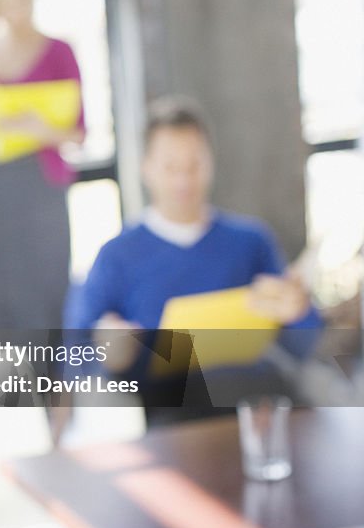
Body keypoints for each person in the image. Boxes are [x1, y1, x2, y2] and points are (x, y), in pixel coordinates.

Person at [65, 95, 322, 424]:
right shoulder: (117, 256)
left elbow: (304, 343)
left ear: (211, 163)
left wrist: (298, 311)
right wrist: (110, 352)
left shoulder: (251, 241)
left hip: (256, 405)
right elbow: (74, 355)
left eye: (194, 165)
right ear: (146, 169)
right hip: (173, 415)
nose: (184, 181)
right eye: (171, 167)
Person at [0, 0, 85, 347]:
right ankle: (6, 396)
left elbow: (79, 132)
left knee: (50, 283)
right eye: (6, 2)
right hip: (2, 186)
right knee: (3, 285)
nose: (17, 10)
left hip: (44, 183)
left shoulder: (60, 51)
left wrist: (40, 129)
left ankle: (56, 389)